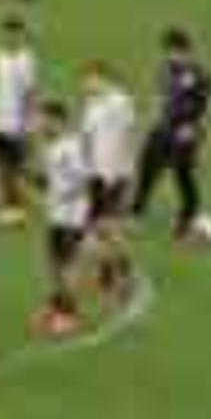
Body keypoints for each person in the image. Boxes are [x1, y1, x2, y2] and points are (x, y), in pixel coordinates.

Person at [133, 27, 211, 242]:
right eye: (167, 51)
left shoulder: (201, 73)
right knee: (147, 166)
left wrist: (197, 128)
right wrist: (153, 118)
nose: (170, 56)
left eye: (174, 51)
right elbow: (161, 96)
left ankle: (189, 216)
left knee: (183, 174)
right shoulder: (165, 69)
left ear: (186, 51)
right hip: (164, 127)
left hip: (187, 131)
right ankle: (136, 212)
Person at [79, 60, 141, 302]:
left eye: (89, 79)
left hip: (114, 175)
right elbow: (86, 138)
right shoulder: (91, 105)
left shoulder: (120, 102)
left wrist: (125, 170)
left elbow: (130, 134)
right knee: (98, 230)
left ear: (103, 77)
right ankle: (108, 274)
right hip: (96, 173)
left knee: (107, 229)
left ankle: (122, 274)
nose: (85, 84)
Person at [35, 100, 96, 338]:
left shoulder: (71, 147)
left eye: (43, 119)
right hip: (57, 216)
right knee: (55, 265)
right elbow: (50, 179)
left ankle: (69, 315)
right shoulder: (53, 146)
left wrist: (61, 199)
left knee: (67, 267)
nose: (39, 124)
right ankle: (56, 305)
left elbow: (83, 180)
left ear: (56, 120)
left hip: (71, 218)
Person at [0, 13, 40, 225]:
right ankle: (11, 204)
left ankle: (15, 208)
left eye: (15, 33)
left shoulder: (26, 60)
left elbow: (30, 93)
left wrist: (28, 122)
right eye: (7, 32)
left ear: (21, 34)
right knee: (2, 166)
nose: (11, 37)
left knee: (14, 168)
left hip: (17, 123)